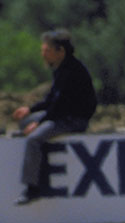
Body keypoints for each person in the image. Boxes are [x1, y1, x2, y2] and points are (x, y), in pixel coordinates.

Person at [12, 29, 97, 205]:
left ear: (61, 51)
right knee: (24, 123)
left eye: (47, 50)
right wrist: (29, 110)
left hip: (73, 120)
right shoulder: (61, 69)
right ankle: (36, 160)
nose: (43, 54)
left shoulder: (72, 71)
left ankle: (32, 189)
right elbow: (51, 99)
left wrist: (38, 123)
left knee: (33, 140)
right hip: (61, 115)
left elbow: (59, 106)